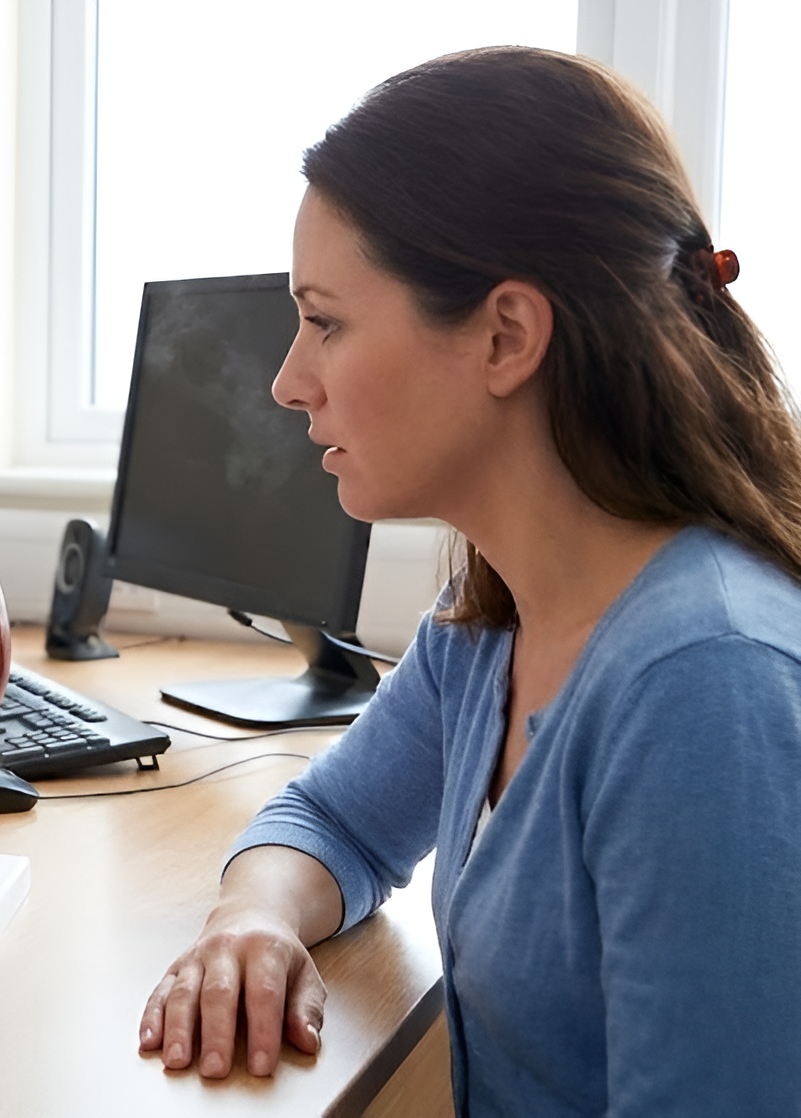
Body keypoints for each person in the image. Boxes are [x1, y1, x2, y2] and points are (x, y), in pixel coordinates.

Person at [138, 47, 801, 1114]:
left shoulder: (702, 688)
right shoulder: (490, 622)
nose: (285, 379)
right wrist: (250, 920)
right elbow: (334, 822)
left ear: (503, 335)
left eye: (325, 320)